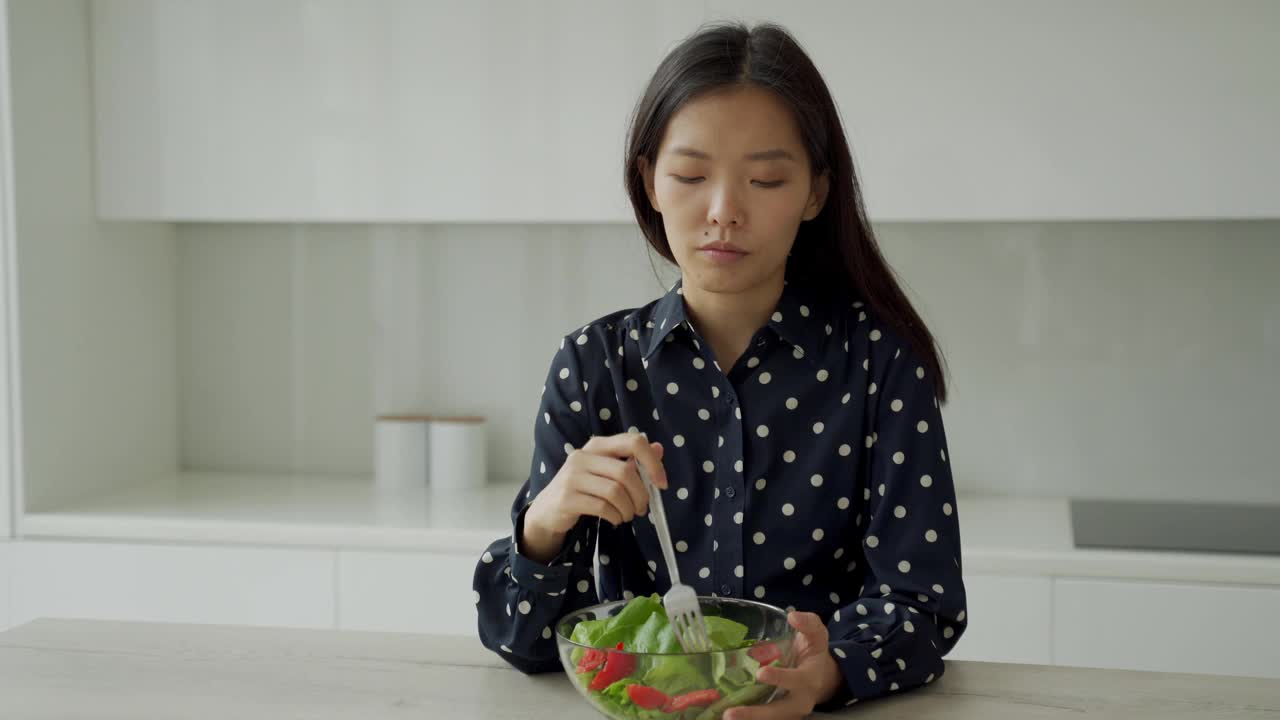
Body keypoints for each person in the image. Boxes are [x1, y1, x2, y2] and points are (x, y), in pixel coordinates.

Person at [473, 21, 966, 718]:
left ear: (816, 193)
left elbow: (923, 608)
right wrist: (546, 523)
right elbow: (523, 641)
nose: (724, 212)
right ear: (648, 181)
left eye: (766, 179)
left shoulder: (879, 366)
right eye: (691, 175)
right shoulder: (593, 367)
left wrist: (828, 673)